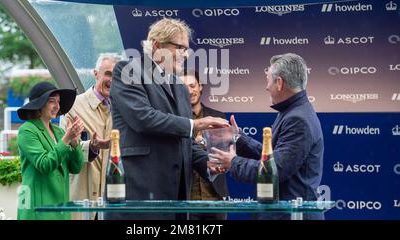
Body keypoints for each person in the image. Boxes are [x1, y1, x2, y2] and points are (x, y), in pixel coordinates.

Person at [109, 18, 229, 217]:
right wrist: (196, 124)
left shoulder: (180, 87)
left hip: (177, 197)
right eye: (179, 47)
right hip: (141, 193)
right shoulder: (129, 71)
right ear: (157, 46)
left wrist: (206, 162)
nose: (185, 54)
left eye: (187, 49)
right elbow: (143, 118)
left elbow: (184, 139)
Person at [211, 53, 324, 219]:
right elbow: (272, 159)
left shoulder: (297, 118)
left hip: (292, 215)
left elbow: (275, 170)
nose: (266, 87)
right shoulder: (294, 111)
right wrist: (239, 137)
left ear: (279, 83)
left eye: (268, 80)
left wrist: (233, 162)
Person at [63, 53, 121, 220]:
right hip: (82, 201)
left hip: (113, 203)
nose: (112, 80)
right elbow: (63, 149)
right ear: (96, 74)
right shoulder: (73, 106)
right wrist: (93, 146)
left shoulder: (124, 109)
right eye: (108, 74)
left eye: (116, 76)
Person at [16, 81, 85, 220]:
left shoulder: (59, 131)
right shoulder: (27, 130)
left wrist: (74, 142)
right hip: (38, 210)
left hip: (62, 210)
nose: (57, 106)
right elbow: (44, 164)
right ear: (39, 105)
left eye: (58, 102)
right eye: (51, 101)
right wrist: (66, 139)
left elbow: (76, 167)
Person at [179, 70, 229, 220]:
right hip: (187, 198)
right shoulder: (176, 121)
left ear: (200, 86)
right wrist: (197, 142)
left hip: (215, 197)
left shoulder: (218, 117)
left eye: (192, 85)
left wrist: (206, 141)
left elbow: (225, 153)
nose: (189, 91)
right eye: (183, 87)